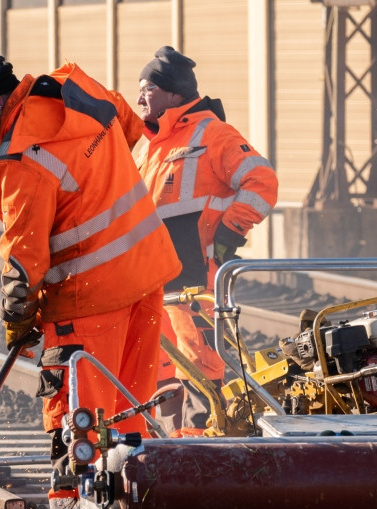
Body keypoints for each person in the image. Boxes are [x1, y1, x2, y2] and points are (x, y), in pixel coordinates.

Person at [0, 55, 181, 509]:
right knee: (127, 409)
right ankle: (131, 505)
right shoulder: (75, 89)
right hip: (146, 275)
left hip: (88, 301)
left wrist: (18, 321)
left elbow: (23, 261)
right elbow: (130, 127)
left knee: (75, 412)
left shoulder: (22, 158)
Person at [133, 47, 279, 435]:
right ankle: (171, 444)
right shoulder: (148, 145)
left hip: (195, 276)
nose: (139, 97)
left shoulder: (213, 134)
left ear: (174, 94)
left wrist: (230, 234)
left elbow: (261, 181)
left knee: (198, 361)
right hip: (152, 278)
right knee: (157, 365)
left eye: (148, 88)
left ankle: (202, 448)